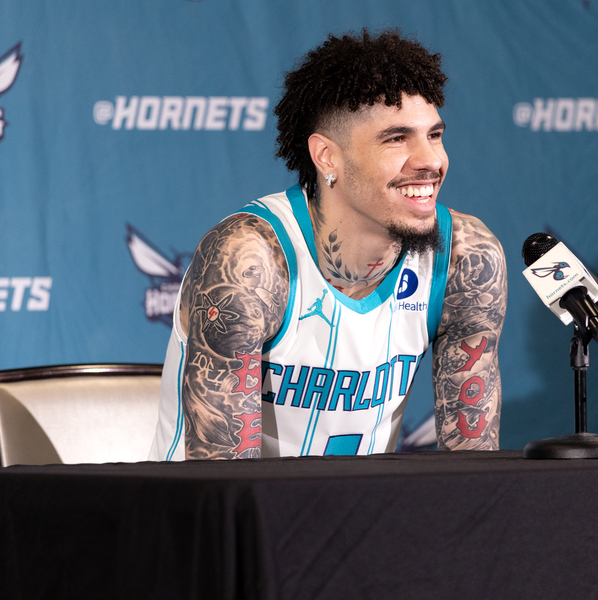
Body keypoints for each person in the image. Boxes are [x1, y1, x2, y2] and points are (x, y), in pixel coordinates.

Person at [149, 29, 506, 460]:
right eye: (396, 138)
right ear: (327, 157)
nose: (431, 160)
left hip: (355, 521)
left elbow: (472, 471)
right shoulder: (250, 259)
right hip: (223, 520)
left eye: (433, 135)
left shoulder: (465, 258)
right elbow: (224, 486)